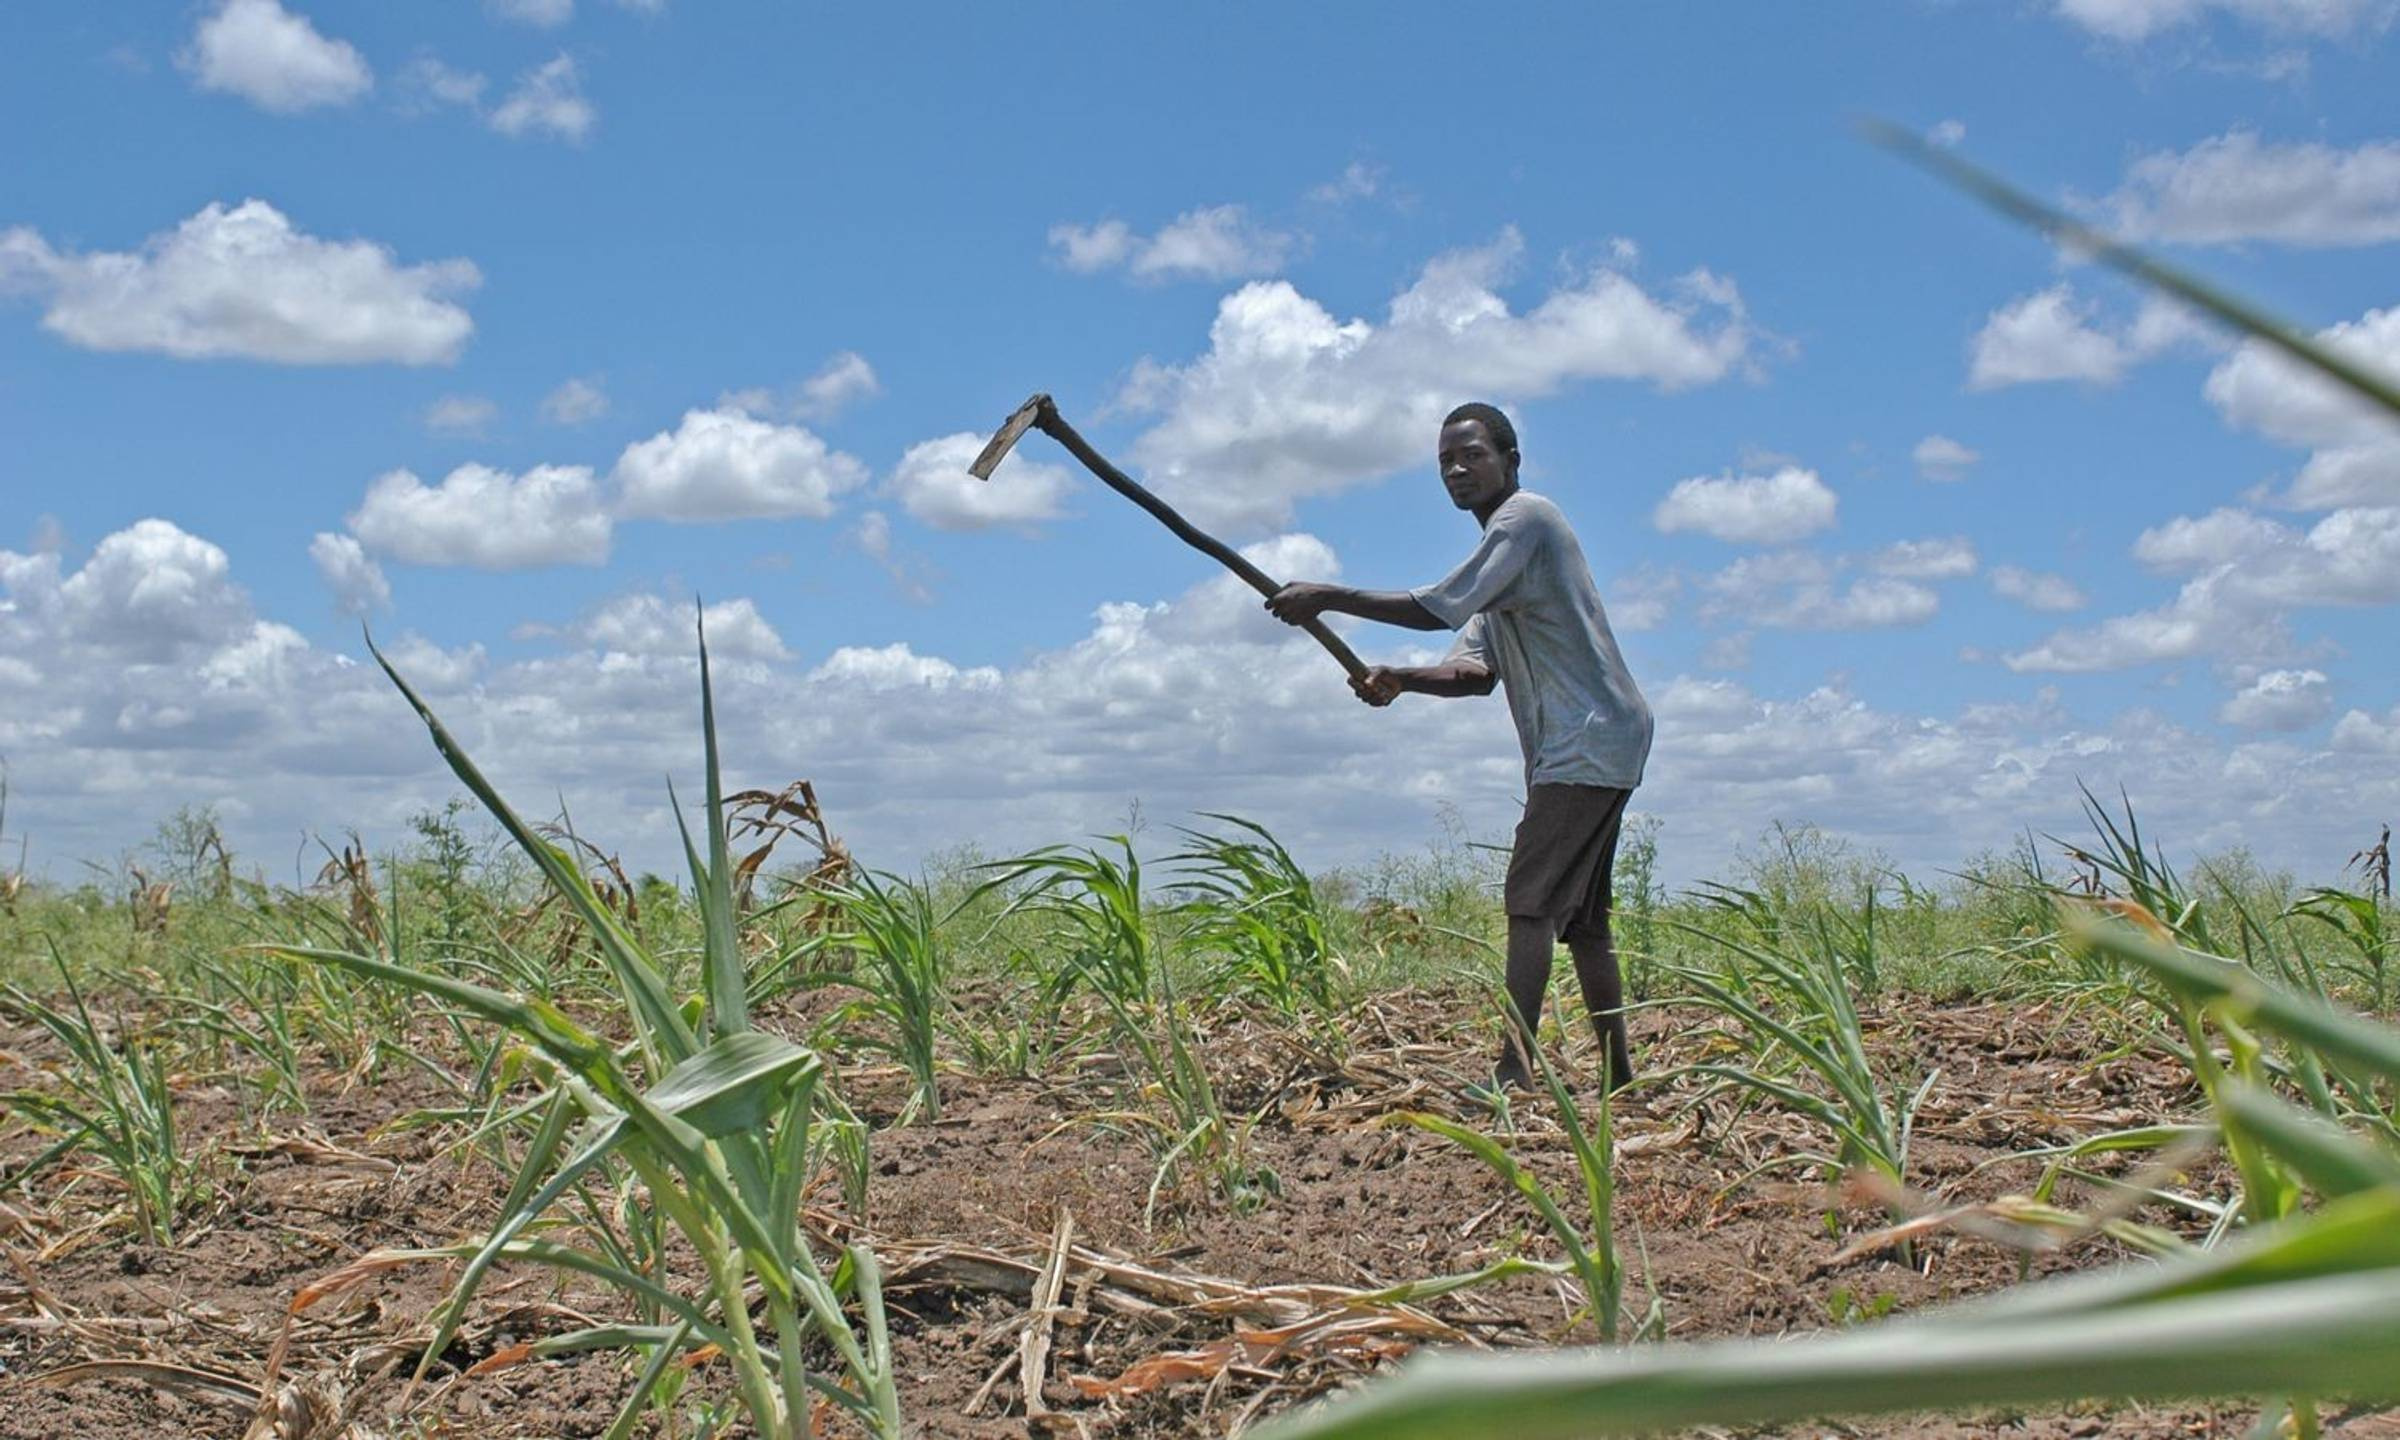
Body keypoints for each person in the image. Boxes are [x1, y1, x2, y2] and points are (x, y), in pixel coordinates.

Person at [1264, 402, 1653, 1094]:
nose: (1457, 469)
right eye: (1446, 459)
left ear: (1511, 461)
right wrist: (1400, 680)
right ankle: (1620, 1077)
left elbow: (1435, 605)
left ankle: (1513, 1070)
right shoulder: (1496, 568)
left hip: (1588, 739)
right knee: (1584, 923)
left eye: (1472, 455)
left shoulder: (1524, 521)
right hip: (1595, 739)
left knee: (1530, 902)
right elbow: (1474, 674)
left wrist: (1327, 595)